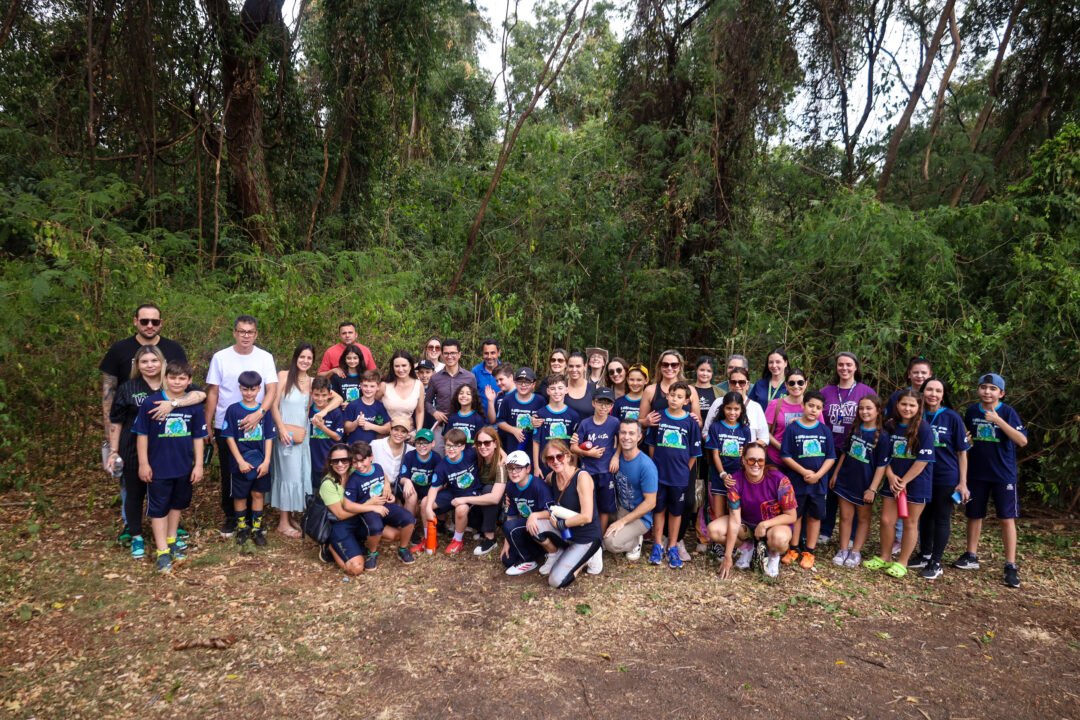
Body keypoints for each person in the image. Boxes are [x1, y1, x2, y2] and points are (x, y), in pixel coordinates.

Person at [108, 346, 205, 560]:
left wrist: (174, 403)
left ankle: (170, 537)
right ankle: (136, 535)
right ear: (137, 364)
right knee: (134, 493)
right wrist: (113, 451)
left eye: (154, 360)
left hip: (170, 454)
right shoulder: (128, 387)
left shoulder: (172, 386)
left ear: (162, 363)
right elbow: (116, 420)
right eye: (144, 361)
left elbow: (201, 395)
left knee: (170, 496)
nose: (150, 365)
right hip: (134, 448)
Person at [205, 315, 278, 538]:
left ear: (256, 334)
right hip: (228, 424)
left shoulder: (265, 357)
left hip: (258, 422)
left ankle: (254, 520)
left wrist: (259, 413)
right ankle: (232, 518)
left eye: (250, 332)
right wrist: (207, 423)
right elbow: (213, 392)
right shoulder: (221, 357)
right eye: (242, 331)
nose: (246, 335)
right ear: (234, 333)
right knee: (231, 471)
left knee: (256, 469)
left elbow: (272, 390)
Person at [953, 373, 1027, 589]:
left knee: (1006, 517)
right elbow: (967, 439)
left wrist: (998, 421)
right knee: (974, 514)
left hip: (1003, 474)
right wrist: (966, 440)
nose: (987, 391)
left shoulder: (1008, 412)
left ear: (1001, 393)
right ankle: (971, 555)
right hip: (977, 472)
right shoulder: (972, 411)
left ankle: (1010, 565)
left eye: (993, 389)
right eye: (984, 387)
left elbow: (1022, 441)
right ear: (978, 390)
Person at [133, 360, 207, 573]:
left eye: (182, 378)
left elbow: (198, 437)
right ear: (165, 378)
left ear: (189, 381)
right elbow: (142, 435)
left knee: (177, 505)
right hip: (158, 467)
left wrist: (198, 465)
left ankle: (172, 540)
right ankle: (162, 551)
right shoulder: (151, 402)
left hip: (183, 466)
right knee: (159, 508)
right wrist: (144, 463)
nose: (177, 382)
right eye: (173, 378)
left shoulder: (193, 406)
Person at [864, 389, 935, 578]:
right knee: (887, 520)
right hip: (893, 480)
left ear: (919, 407)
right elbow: (883, 455)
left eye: (912, 405)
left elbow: (922, 461)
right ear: (897, 405)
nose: (907, 408)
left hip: (916, 482)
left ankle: (902, 562)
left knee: (910, 522)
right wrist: (890, 475)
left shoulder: (924, 429)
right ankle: (885, 556)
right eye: (904, 404)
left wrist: (904, 482)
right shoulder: (890, 425)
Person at [100, 303, 189, 450]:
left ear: (161, 323)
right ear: (135, 321)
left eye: (155, 322)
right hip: (129, 428)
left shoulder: (174, 349)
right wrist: (110, 431)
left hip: (167, 429)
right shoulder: (119, 349)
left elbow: (188, 388)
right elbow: (108, 394)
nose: (149, 325)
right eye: (144, 321)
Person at [707, 442, 797, 579]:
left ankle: (773, 554)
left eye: (760, 460)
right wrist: (728, 555)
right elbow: (735, 520)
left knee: (779, 539)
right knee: (714, 530)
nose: (756, 464)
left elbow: (791, 516)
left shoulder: (779, 480)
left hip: (773, 525)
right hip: (746, 526)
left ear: (765, 461)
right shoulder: (735, 481)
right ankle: (746, 548)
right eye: (751, 460)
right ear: (743, 460)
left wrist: (765, 524)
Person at [912, 377, 970, 580]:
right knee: (924, 516)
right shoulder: (916, 414)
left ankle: (936, 562)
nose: (933, 394)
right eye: (929, 390)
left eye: (938, 391)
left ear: (943, 395)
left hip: (945, 475)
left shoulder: (952, 417)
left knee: (941, 517)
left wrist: (963, 482)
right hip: (921, 474)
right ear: (922, 392)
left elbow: (962, 452)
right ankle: (924, 554)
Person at [818, 352, 877, 544]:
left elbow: (876, 416)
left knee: (853, 492)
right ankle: (825, 530)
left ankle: (852, 536)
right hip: (828, 449)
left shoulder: (865, 391)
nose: (844, 368)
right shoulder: (826, 391)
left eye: (849, 365)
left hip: (855, 451)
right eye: (841, 364)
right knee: (829, 490)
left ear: (856, 367)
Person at [272, 343, 327, 539]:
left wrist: (324, 412)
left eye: (309, 358)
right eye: (302, 357)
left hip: (303, 435)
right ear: (296, 357)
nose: (305, 361)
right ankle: (282, 523)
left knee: (299, 474)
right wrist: (281, 429)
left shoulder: (312, 382)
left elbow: (335, 398)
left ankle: (291, 515)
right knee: (288, 475)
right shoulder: (284, 376)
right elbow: (273, 405)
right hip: (285, 433)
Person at [645, 381, 702, 569]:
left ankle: (673, 546)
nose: (674, 399)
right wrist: (654, 467)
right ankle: (657, 545)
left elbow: (694, 453)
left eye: (679, 397)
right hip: (659, 474)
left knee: (676, 511)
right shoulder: (658, 417)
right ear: (667, 396)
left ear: (686, 401)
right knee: (659, 508)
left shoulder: (691, 422)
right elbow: (652, 445)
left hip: (679, 476)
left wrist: (685, 470)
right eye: (672, 395)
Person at [829, 395, 889, 569]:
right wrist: (836, 474)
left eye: (869, 408)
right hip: (845, 480)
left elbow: (882, 466)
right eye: (861, 408)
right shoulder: (855, 429)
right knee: (845, 517)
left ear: (878, 411)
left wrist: (872, 489)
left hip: (865, 484)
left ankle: (856, 551)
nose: (864, 411)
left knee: (863, 518)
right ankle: (843, 549)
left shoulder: (883, 437)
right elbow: (845, 453)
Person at [779, 390, 836, 570]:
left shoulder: (824, 430)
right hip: (797, 481)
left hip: (818, 484)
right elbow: (785, 455)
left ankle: (809, 551)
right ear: (803, 406)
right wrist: (804, 472)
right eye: (811, 405)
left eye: (818, 407)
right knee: (796, 515)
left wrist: (818, 475)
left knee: (814, 516)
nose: (813, 410)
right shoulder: (792, 429)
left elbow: (831, 457)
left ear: (821, 410)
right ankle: (793, 548)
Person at [221, 370, 276, 546]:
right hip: (241, 463)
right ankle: (242, 528)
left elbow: (269, 437)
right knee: (240, 496)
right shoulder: (233, 410)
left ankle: (256, 529)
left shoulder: (264, 412)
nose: (249, 393)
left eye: (253, 389)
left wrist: (267, 461)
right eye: (245, 389)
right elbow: (229, 437)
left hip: (260, 463)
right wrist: (240, 461)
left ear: (259, 389)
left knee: (258, 494)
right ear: (240, 388)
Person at [345, 440, 417, 570]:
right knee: (376, 527)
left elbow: (384, 476)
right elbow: (348, 505)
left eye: (362, 460)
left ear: (371, 457)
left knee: (409, 519)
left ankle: (403, 548)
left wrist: (387, 488)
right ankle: (372, 553)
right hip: (367, 509)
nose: (359, 465)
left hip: (384, 504)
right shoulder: (354, 479)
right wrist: (372, 506)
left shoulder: (377, 467)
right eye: (355, 462)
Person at [540, 439, 602, 588]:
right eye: (550, 458)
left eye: (559, 456)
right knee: (535, 524)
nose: (555, 461)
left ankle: (589, 556)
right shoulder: (551, 477)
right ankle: (558, 554)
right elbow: (537, 488)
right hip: (567, 534)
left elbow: (587, 516)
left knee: (555, 581)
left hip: (586, 536)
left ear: (568, 456)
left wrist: (560, 524)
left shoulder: (582, 477)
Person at [570, 386, 620, 567]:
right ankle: (588, 538)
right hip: (588, 472)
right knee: (589, 506)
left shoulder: (614, 422)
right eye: (600, 403)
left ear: (612, 406)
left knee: (605, 507)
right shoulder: (585, 423)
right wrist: (588, 453)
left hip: (606, 472)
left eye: (607, 404)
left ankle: (599, 539)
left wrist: (615, 456)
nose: (603, 407)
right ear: (593, 403)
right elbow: (573, 447)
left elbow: (621, 441)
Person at [603, 419, 658, 561]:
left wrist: (622, 522)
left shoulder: (646, 466)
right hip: (621, 508)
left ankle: (635, 542)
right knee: (597, 517)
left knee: (610, 542)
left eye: (631, 433)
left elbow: (651, 503)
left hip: (640, 517)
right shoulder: (616, 458)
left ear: (639, 437)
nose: (626, 437)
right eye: (623, 432)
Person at [422, 428, 481, 555]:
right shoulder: (442, 466)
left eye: (456, 446)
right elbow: (434, 487)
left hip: (471, 492)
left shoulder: (470, 454)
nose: (451, 449)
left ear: (463, 447)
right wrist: (428, 508)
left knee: (461, 509)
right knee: (425, 502)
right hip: (453, 492)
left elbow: (490, 447)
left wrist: (503, 456)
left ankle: (457, 540)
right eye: (448, 445)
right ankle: (428, 538)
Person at [500, 450, 557, 576]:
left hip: (543, 530)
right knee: (507, 560)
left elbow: (551, 512)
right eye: (510, 468)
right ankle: (536, 554)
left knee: (510, 526)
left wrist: (534, 515)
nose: (514, 472)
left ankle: (528, 560)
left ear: (528, 468)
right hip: (526, 528)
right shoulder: (510, 486)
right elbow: (511, 516)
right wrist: (507, 543)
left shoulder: (538, 486)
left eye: (518, 468)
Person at [455, 425, 508, 556]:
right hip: (479, 498)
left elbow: (495, 497)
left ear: (495, 443)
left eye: (487, 443)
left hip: (498, 504)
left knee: (488, 490)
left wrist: (464, 499)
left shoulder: (500, 465)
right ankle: (479, 527)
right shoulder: (476, 456)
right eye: (479, 443)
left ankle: (490, 538)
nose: (482, 446)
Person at [704, 392, 753, 520]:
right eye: (728, 408)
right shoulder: (715, 427)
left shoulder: (745, 430)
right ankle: (718, 534)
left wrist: (744, 454)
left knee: (736, 514)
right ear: (723, 408)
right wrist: (723, 474)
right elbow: (715, 454)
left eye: (736, 409)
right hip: (719, 475)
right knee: (718, 515)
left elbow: (747, 456)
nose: (732, 412)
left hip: (738, 476)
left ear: (741, 410)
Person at [424, 338, 477, 450]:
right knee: (438, 455)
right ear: (442, 355)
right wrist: (434, 412)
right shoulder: (435, 378)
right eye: (446, 353)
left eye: (453, 353)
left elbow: (475, 402)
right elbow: (427, 401)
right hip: (441, 425)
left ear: (459, 354)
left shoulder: (470, 377)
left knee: (462, 456)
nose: (449, 356)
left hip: (463, 425)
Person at [532, 374, 580, 479]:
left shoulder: (573, 415)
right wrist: (536, 467)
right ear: (548, 391)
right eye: (553, 388)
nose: (556, 391)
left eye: (560, 388)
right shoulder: (540, 414)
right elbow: (536, 441)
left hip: (565, 464)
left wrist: (574, 466)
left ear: (566, 390)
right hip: (545, 464)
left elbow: (574, 444)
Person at [400, 428, 441, 550]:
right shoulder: (410, 456)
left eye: (425, 443)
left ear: (433, 444)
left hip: (429, 489)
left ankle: (430, 533)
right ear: (415, 443)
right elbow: (402, 477)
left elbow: (439, 481)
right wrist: (406, 481)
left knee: (426, 501)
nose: (422, 446)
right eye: (419, 443)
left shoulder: (436, 458)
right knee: (411, 496)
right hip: (414, 488)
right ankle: (409, 527)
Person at [704, 367, 769, 445]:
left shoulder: (756, 407)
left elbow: (764, 439)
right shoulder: (718, 403)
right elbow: (706, 431)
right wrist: (717, 446)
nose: (737, 385)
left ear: (748, 385)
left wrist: (746, 448)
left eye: (741, 382)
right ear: (729, 384)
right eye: (733, 382)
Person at [640, 351, 701, 432]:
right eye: (665, 364)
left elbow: (700, 423)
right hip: (656, 438)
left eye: (674, 365)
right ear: (660, 366)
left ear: (680, 367)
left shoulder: (691, 390)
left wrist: (697, 421)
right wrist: (646, 422)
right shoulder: (650, 390)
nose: (669, 368)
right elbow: (640, 421)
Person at [308, 377, 346, 494]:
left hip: (330, 460)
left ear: (330, 395)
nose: (320, 398)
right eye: (316, 395)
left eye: (324, 395)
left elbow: (338, 436)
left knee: (331, 490)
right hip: (313, 458)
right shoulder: (308, 410)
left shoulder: (335, 412)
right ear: (311, 393)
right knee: (316, 491)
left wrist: (322, 427)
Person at [496, 367, 546, 454]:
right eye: (520, 382)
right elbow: (500, 421)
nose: (523, 385)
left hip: (533, 447)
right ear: (515, 383)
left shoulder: (540, 401)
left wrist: (538, 422)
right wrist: (513, 430)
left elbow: (546, 421)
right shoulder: (507, 400)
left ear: (533, 384)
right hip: (513, 446)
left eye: (527, 382)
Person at [765, 368, 807, 467]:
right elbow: (765, 431)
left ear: (806, 383)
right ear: (786, 385)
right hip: (776, 459)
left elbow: (820, 430)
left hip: (803, 460)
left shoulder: (812, 405)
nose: (796, 386)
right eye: (791, 383)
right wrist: (781, 447)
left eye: (800, 382)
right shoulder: (775, 404)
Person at [343, 370, 390, 444]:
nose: (368, 389)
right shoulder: (353, 405)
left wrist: (371, 426)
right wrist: (356, 422)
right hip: (354, 446)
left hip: (373, 447)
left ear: (378, 387)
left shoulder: (380, 406)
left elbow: (388, 428)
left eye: (372, 386)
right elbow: (346, 428)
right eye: (365, 386)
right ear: (361, 386)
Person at [371, 416, 413, 490]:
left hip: (398, 488)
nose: (399, 434)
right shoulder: (376, 445)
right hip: (376, 486)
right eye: (396, 430)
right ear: (390, 430)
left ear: (407, 434)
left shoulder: (411, 450)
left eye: (403, 431)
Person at [471, 339, 502, 416]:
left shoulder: (505, 371)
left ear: (499, 353)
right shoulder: (475, 371)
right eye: (486, 353)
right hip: (481, 419)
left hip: (502, 419)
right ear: (482, 354)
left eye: (492, 353)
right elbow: (472, 396)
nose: (489, 356)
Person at [564, 352, 596, 417]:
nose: (574, 370)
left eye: (578, 366)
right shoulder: (560, 387)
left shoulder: (594, 389)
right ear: (567, 367)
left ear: (585, 367)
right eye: (571, 366)